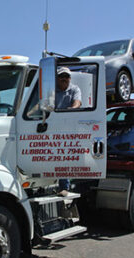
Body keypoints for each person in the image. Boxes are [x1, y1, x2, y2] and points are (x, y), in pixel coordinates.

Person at [55, 67, 81, 195]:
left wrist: (71, 109)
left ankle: (64, 186)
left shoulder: (74, 89)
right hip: (53, 125)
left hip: (68, 127)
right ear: (57, 78)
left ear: (70, 78)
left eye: (67, 76)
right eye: (61, 76)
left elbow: (77, 103)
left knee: (63, 155)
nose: (64, 78)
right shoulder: (51, 90)